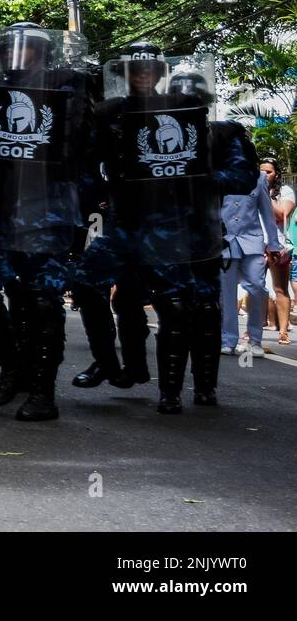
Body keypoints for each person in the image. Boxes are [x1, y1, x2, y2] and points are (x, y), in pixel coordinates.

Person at [73, 46, 255, 413]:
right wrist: (96, 193)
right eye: (134, 69)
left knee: (191, 306)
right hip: (127, 225)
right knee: (94, 287)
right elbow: (85, 166)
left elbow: (241, 177)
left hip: (183, 228)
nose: (142, 74)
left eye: (149, 69)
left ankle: (193, 388)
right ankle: (112, 364)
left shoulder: (210, 127)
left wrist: (197, 178)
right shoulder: (113, 116)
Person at [0, 23, 91, 422]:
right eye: (9, 49)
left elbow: (78, 145)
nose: (18, 55)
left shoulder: (64, 88)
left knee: (41, 300)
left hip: (45, 209)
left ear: (41, 53)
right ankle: (12, 365)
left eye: (28, 49)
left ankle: (42, 391)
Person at [218, 166, 282, 355]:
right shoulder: (218, 175)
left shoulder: (258, 177)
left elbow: (267, 213)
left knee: (257, 287)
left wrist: (273, 245)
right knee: (226, 293)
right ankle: (228, 339)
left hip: (252, 241)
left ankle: (255, 340)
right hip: (225, 241)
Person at [260, 158, 293, 344]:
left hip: (278, 247)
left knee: (280, 289)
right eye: (261, 171)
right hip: (256, 245)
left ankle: (283, 331)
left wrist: (265, 194)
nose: (264, 175)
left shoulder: (285, 191)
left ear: (276, 173)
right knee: (256, 288)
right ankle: (253, 329)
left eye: (269, 172)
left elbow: (281, 214)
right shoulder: (252, 187)